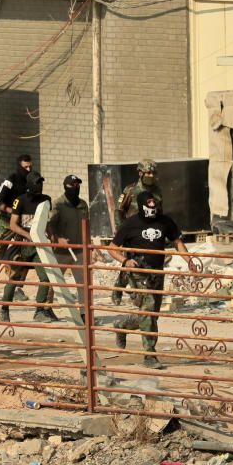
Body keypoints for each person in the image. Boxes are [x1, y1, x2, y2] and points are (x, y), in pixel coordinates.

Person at [107, 192, 187, 370]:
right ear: (142, 203)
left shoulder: (165, 221)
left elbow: (177, 242)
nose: (152, 205)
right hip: (139, 274)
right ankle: (150, 355)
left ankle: (122, 325)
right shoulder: (130, 224)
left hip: (157, 273)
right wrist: (125, 261)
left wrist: (190, 261)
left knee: (151, 315)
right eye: (149, 202)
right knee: (149, 312)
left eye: (154, 202)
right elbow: (112, 249)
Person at [0, 171, 57, 324]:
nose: (39, 186)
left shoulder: (46, 200)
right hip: (22, 245)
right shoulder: (20, 200)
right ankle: (4, 308)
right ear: (29, 184)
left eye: (41, 182)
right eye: (36, 183)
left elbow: (47, 221)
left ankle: (39, 310)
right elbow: (13, 225)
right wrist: (29, 235)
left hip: (39, 246)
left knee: (46, 277)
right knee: (13, 279)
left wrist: (51, 236)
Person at [112, 158, 163, 306]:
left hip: (150, 234)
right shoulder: (130, 190)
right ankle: (125, 290)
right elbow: (119, 210)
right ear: (140, 173)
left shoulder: (157, 191)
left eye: (154, 173)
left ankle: (135, 291)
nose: (151, 176)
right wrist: (122, 228)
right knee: (132, 261)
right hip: (132, 233)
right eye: (148, 173)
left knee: (146, 262)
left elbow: (160, 211)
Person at [0, 154, 33, 301]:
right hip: (6, 222)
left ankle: (16, 287)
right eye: (26, 167)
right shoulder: (10, 180)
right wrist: (12, 211)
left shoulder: (32, 180)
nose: (29, 169)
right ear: (19, 167)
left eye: (30, 166)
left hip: (22, 224)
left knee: (22, 254)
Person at [48, 174, 89, 311]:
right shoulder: (58, 204)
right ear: (65, 186)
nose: (75, 188)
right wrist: (58, 238)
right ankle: (45, 309)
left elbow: (86, 226)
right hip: (61, 251)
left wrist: (89, 246)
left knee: (84, 283)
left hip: (79, 251)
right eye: (72, 185)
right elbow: (50, 225)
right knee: (54, 281)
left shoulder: (83, 205)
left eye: (78, 185)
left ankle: (84, 313)